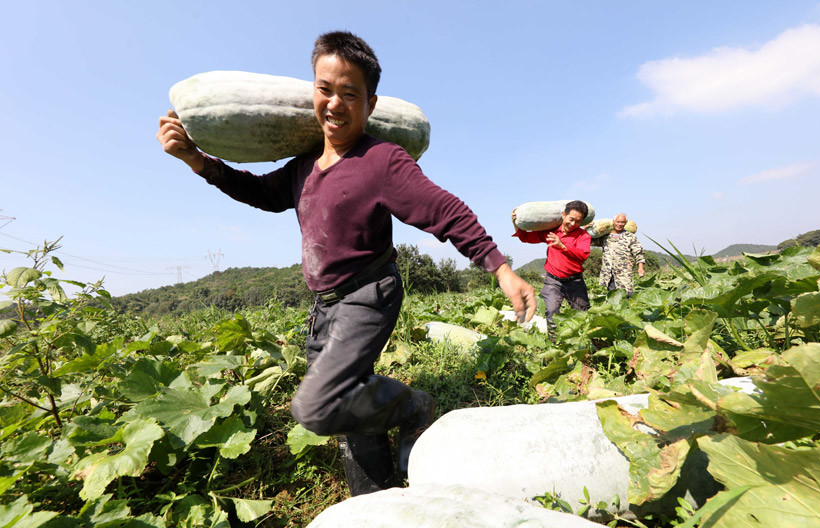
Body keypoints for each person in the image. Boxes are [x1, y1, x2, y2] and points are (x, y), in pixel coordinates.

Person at [157, 31, 536, 496]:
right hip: (325, 305)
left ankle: (415, 406)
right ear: (311, 91)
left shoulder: (382, 161)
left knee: (318, 406)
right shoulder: (303, 166)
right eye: (325, 89)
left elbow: (443, 210)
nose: (334, 104)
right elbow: (261, 194)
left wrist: (499, 267)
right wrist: (197, 160)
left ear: (370, 104)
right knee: (350, 408)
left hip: (367, 295)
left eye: (349, 94)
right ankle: (375, 498)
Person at [511, 201, 590, 343]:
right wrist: (515, 222)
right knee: (551, 311)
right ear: (564, 215)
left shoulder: (583, 236)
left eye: (578, 221)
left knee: (582, 313)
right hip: (553, 281)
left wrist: (562, 245)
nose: (573, 224)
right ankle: (555, 343)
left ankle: (582, 343)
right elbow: (525, 237)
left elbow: (582, 255)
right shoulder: (551, 232)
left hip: (575, 281)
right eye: (571, 219)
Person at [595, 213, 645, 297]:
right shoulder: (606, 237)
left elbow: (639, 252)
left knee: (627, 296)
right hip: (609, 273)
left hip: (624, 273)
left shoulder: (630, 237)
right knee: (613, 297)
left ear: (625, 223)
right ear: (613, 222)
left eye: (622, 222)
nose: (620, 224)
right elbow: (588, 240)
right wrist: (586, 227)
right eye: (618, 222)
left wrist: (640, 267)